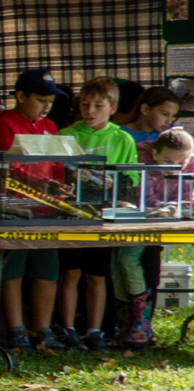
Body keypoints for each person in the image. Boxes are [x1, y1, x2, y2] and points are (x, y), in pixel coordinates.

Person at [0, 69, 68, 349]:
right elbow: (9, 168)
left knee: (47, 270)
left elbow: (58, 164)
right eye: (41, 99)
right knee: (13, 270)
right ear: (20, 96)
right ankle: (16, 330)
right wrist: (47, 184)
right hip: (13, 210)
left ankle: (41, 330)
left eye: (50, 102)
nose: (46, 107)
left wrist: (62, 185)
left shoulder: (50, 127)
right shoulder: (3, 124)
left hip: (47, 212)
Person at [59, 76, 140, 349]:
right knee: (71, 273)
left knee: (97, 274)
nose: (90, 111)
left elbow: (133, 178)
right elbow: (54, 171)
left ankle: (95, 331)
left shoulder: (123, 138)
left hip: (103, 217)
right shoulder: (66, 135)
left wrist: (115, 183)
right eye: (85, 104)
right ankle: (68, 328)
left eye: (98, 105)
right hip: (70, 215)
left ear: (113, 108)